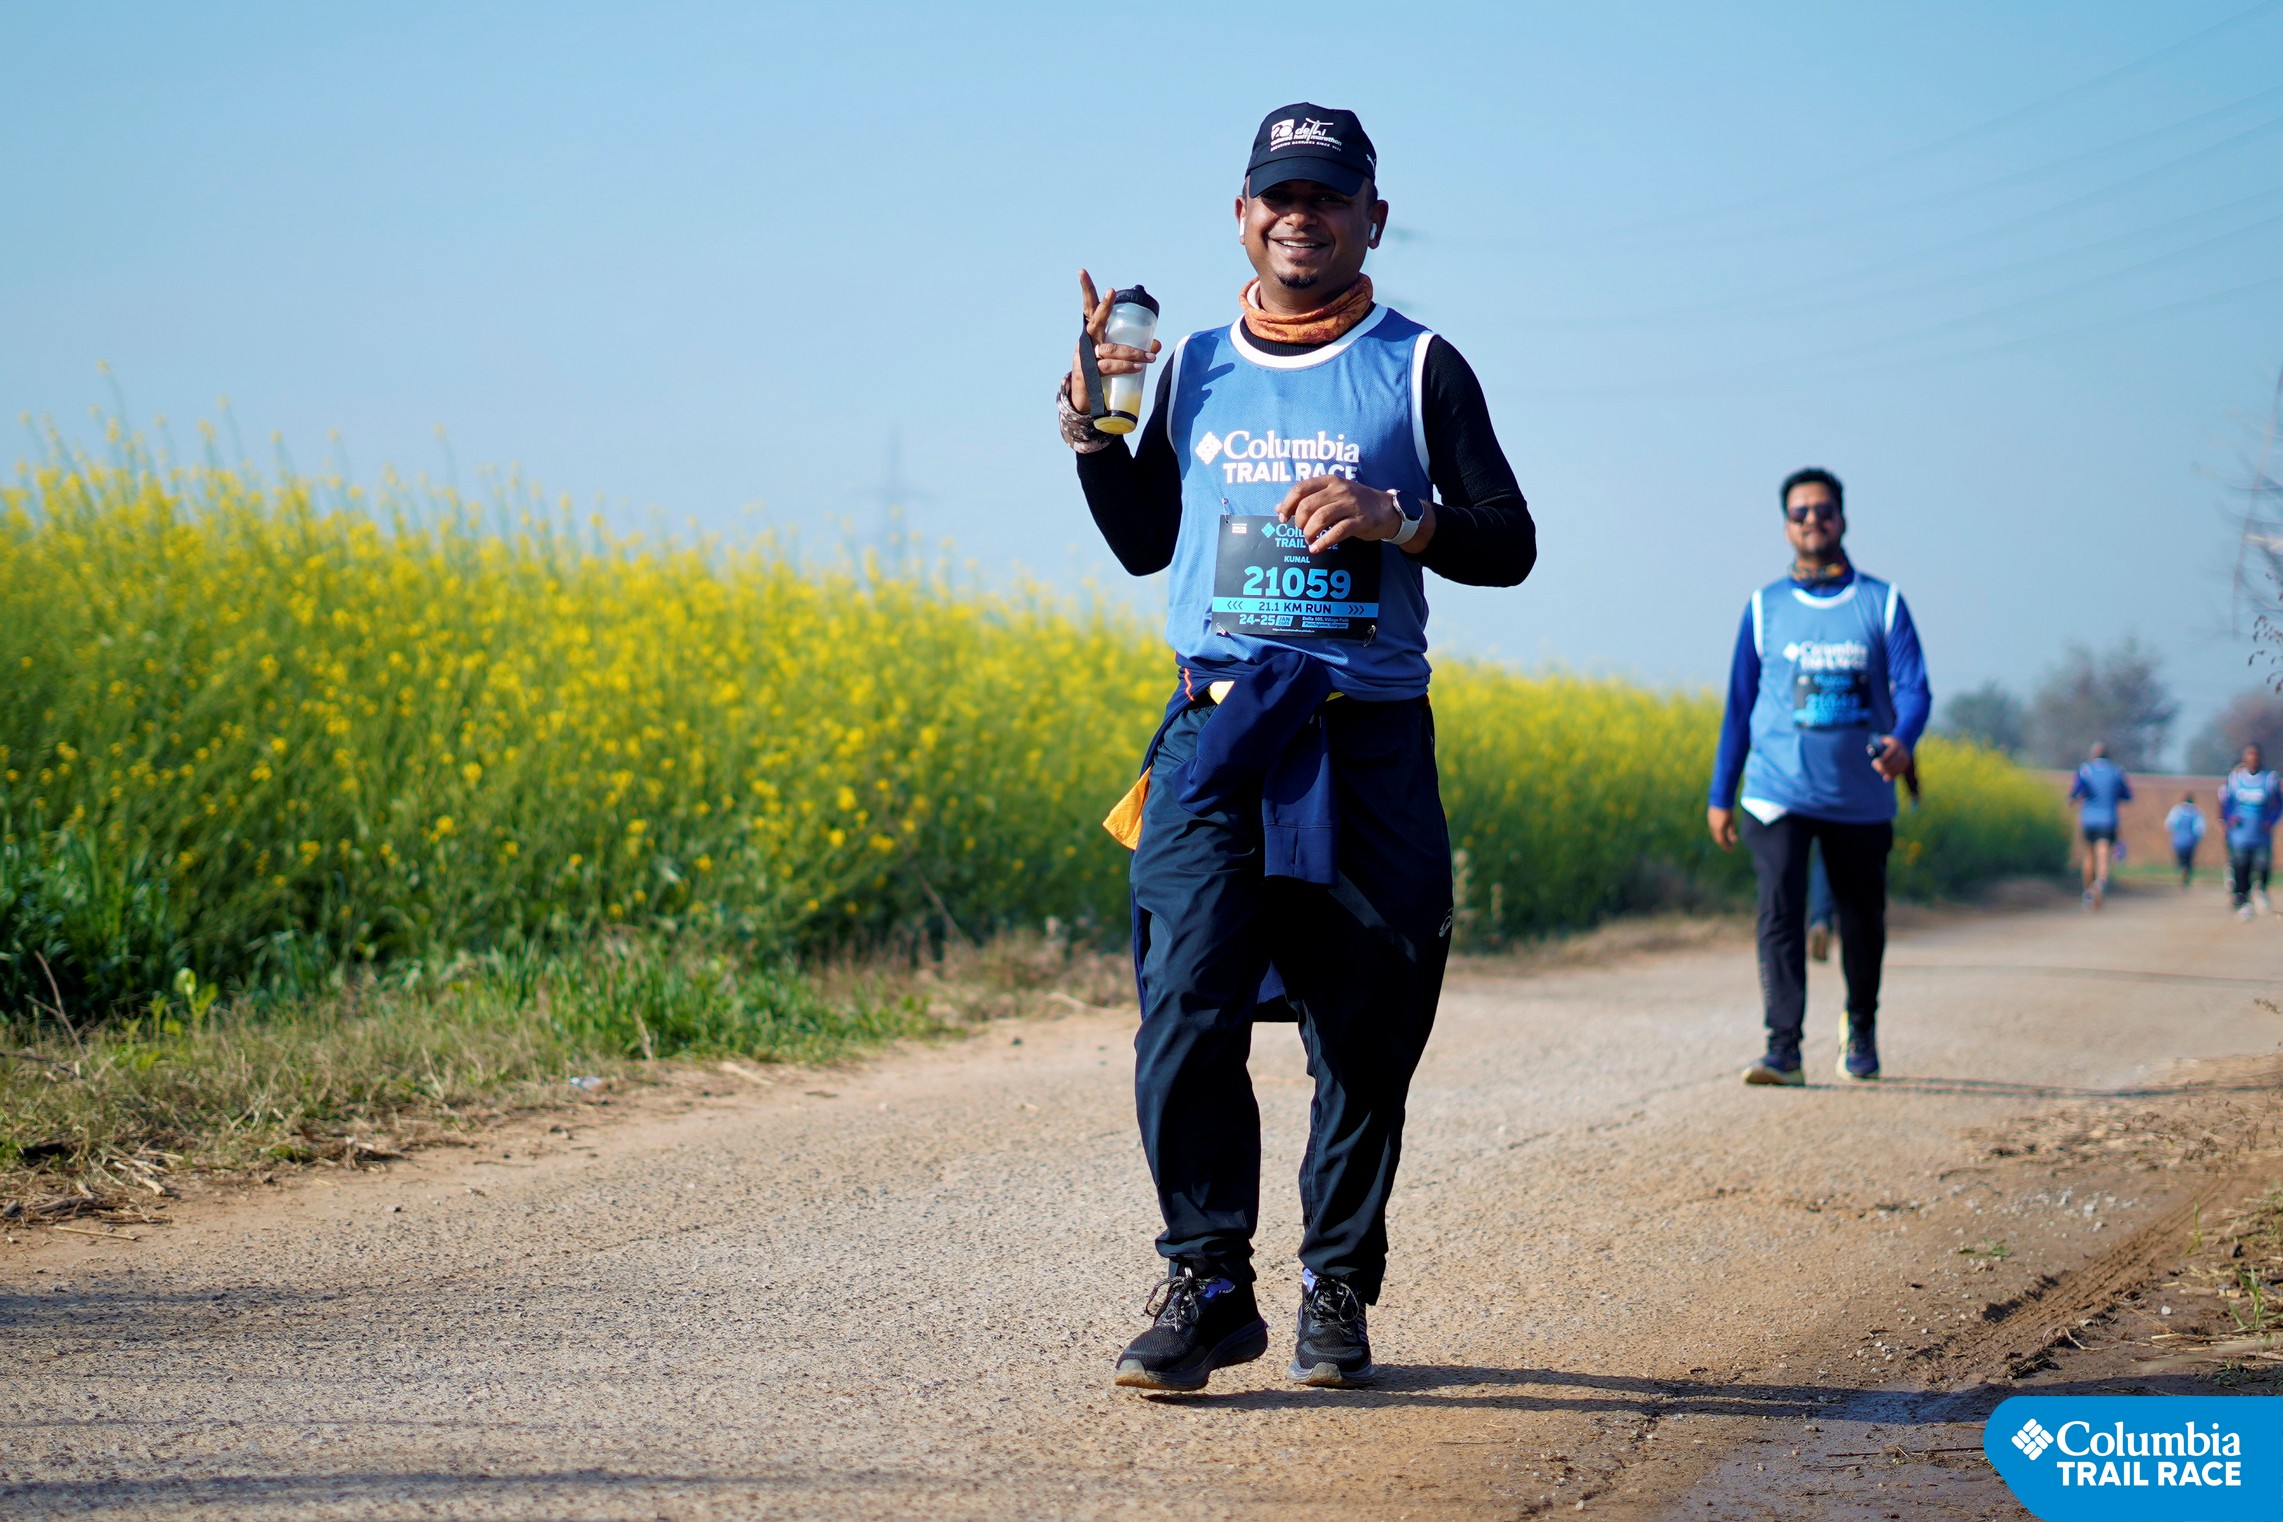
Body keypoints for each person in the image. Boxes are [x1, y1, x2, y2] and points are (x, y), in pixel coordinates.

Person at [1059, 104, 1535, 1392]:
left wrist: (1400, 515)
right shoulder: (1192, 365)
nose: (1299, 216)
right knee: (1185, 1004)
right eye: (1279, 194)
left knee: (1368, 1022)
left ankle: (1336, 1280)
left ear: (1372, 219)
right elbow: (1146, 541)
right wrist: (1097, 434)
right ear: (1242, 216)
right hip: (1216, 731)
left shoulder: (1422, 366)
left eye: (1326, 196)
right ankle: (1209, 1282)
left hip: (1364, 737)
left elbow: (1510, 540)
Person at [1707, 468, 1931, 1086]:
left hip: (1860, 796)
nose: (1812, 520)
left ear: (1842, 519)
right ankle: (1783, 1050)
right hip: (1776, 791)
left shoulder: (1883, 603)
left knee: (1862, 921)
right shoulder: (1764, 608)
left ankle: (1861, 1029)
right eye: (1800, 512)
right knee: (1779, 915)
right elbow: (1739, 706)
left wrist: (1904, 740)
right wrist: (1721, 793)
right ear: (1786, 526)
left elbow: (1914, 688)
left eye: (1823, 510)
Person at [2220, 743, 2281, 919]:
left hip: (2261, 834)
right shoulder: (2235, 779)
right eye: (2250, 755)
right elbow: (2226, 803)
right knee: (2241, 866)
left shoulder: (2269, 779)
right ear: (2245, 758)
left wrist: (2270, 821)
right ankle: (2243, 900)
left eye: (2256, 755)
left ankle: (2261, 890)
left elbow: (2278, 804)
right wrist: (2230, 817)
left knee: (2262, 865)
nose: (2253, 759)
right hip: (2240, 835)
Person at [2068, 742, 2132, 908]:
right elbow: (2126, 795)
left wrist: (2073, 800)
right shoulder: (2116, 771)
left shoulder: (2086, 770)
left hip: (2088, 819)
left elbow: (2077, 791)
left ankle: (2088, 892)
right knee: (2103, 853)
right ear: (2108, 755)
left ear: (2093, 755)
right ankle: (2100, 885)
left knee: (2089, 854)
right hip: (2108, 819)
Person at [2165, 792, 2205, 889]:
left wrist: (2175, 834)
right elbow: (2199, 829)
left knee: (2181, 860)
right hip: (2190, 842)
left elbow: (2169, 824)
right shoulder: (2196, 812)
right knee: (2188, 861)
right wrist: (2197, 838)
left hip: (2178, 841)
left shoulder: (2177, 811)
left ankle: (2182, 872)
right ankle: (2185, 874)